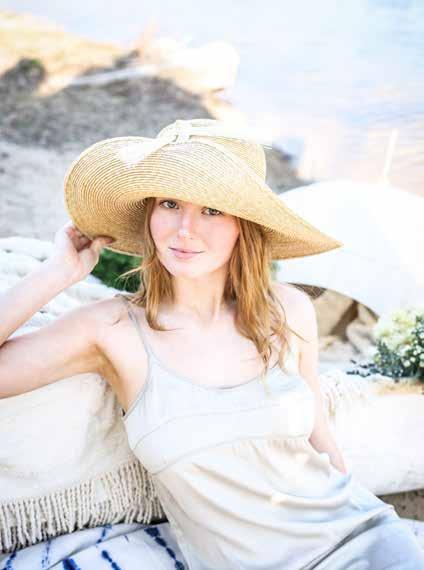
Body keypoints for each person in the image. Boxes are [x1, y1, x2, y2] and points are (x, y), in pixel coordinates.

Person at [1, 118, 423, 569]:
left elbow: (321, 439)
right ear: (149, 214)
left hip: (365, 540)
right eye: (169, 203)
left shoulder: (287, 309)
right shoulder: (112, 329)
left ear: (244, 226)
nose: (185, 229)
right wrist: (59, 273)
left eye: (212, 210)